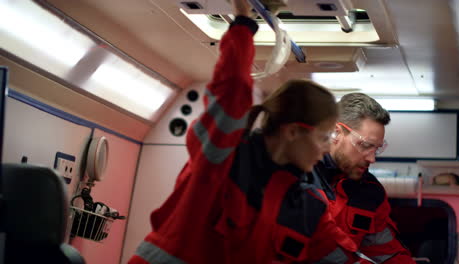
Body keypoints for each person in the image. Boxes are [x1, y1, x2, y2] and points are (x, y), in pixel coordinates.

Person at [128, 0, 363, 263]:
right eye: (322, 137)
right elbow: (231, 91)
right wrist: (242, 21)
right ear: (293, 132)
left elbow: (341, 256)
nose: (325, 148)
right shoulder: (223, 157)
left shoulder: (307, 205)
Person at [311, 93, 417, 263]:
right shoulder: (299, 177)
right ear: (337, 133)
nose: (372, 159)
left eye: (376, 149)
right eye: (366, 146)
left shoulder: (370, 192)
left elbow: (387, 252)